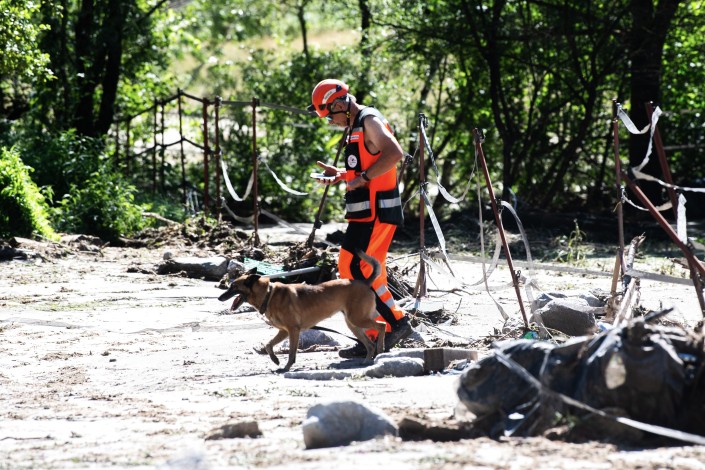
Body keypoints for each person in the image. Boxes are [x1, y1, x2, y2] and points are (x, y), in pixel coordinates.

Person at [307, 78, 413, 358]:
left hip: (376, 212)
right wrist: (343, 175)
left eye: (330, 114)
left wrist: (363, 177)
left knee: (353, 269)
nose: (330, 120)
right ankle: (380, 332)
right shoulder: (356, 124)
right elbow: (369, 163)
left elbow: (394, 154)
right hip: (365, 213)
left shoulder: (369, 119)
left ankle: (395, 324)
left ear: (340, 103)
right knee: (365, 272)